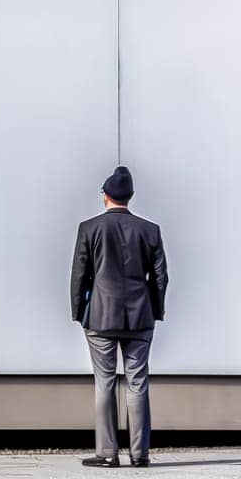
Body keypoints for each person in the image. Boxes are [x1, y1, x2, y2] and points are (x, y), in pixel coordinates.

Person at [72, 166, 169, 468]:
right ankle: (140, 455)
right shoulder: (150, 230)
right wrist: (155, 309)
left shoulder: (89, 229)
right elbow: (161, 277)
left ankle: (107, 453)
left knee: (105, 382)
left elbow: (80, 276)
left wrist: (79, 312)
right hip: (141, 317)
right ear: (130, 196)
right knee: (138, 382)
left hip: (100, 316)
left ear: (105, 196)